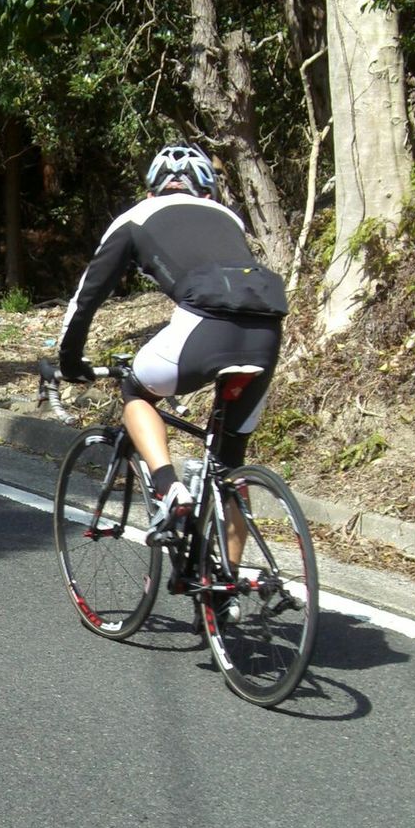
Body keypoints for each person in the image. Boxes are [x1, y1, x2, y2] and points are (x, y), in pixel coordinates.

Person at [56, 143, 287, 542]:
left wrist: (70, 358)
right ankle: (225, 583)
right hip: (266, 331)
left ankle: (169, 488)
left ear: (151, 191)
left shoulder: (135, 217)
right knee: (230, 467)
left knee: (136, 392)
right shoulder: (229, 218)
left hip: (204, 326)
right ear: (208, 193)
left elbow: (86, 298)